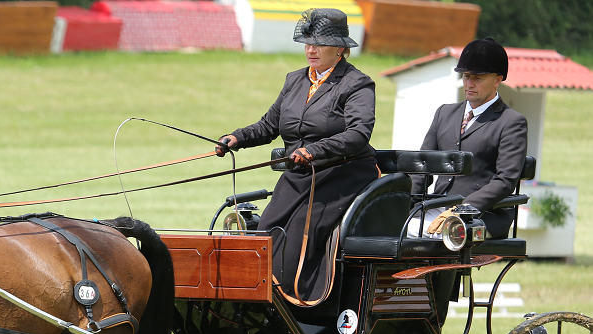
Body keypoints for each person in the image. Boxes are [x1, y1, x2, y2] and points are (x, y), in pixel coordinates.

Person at [216, 8, 377, 306]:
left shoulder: (357, 84)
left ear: (340, 48)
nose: (311, 49)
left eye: (319, 43)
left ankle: (295, 303)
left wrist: (314, 150)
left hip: (342, 175)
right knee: (265, 234)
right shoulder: (294, 81)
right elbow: (268, 126)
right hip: (299, 175)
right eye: (308, 43)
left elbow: (358, 135)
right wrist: (236, 138)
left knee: (296, 236)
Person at [409, 37, 528, 239]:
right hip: (435, 206)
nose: (469, 84)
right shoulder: (444, 114)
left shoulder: (511, 122)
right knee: (388, 224)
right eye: (466, 77)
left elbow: (505, 180)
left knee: (443, 235)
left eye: (478, 78)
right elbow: (423, 166)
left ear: (497, 80)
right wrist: (405, 202)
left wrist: (463, 209)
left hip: (482, 214)